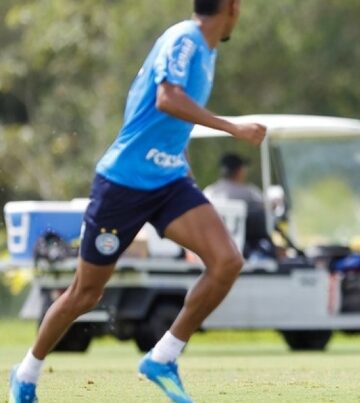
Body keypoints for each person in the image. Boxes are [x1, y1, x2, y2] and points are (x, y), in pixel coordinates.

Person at [8, 1, 265, 402]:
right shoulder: (185, 39)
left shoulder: (208, 51)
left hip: (168, 181)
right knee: (85, 293)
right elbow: (166, 99)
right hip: (123, 184)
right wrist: (232, 128)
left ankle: (162, 358)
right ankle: (26, 373)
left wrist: (184, 172)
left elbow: (167, 125)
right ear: (231, 7)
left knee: (227, 261)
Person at [204, 153, 272, 257]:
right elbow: (267, 207)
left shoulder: (208, 192)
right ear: (239, 171)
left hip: (212, 245)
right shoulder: (249, 192)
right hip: (243, 247)